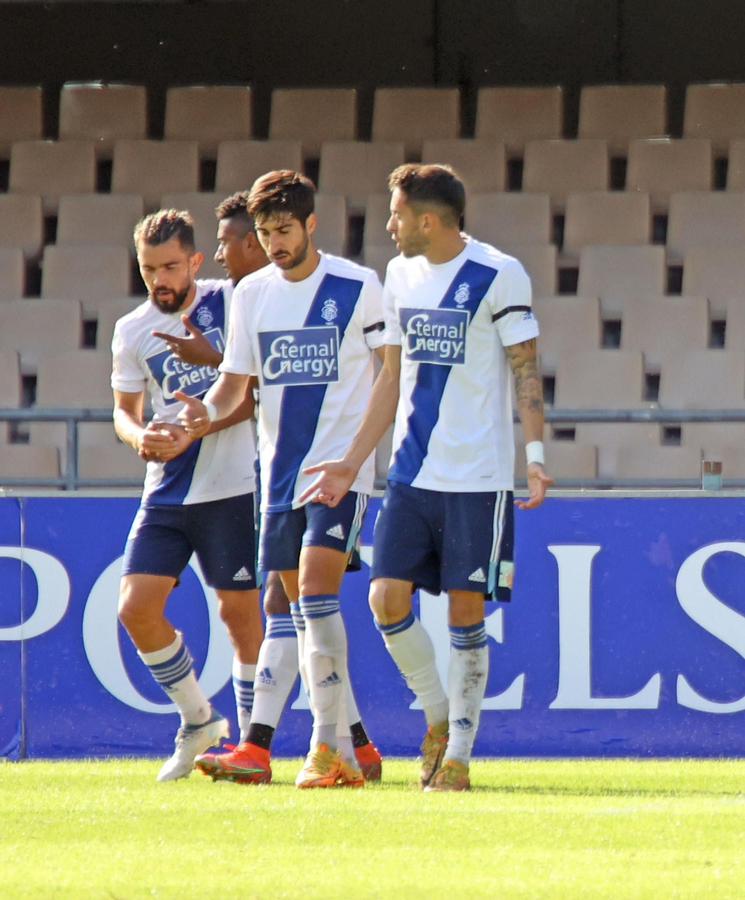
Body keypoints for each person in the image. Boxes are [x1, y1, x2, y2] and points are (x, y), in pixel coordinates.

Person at [295, 164, 549, 792]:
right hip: (410, 474)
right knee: (385, 599)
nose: (388, 226)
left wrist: (536, 454)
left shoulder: (499, 273)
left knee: (467, 610)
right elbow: (390, 378)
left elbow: (527, 372)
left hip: (478, 476)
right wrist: (353, 462)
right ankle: (438, 716)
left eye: (397, 215)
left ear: (427, 220)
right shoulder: (400, 277)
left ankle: (458, 755)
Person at [183, 171, 387, 789]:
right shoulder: (252, 296)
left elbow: (389, 377)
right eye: (266, 232)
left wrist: (358, 460)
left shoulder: (357, 285)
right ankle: (349, 746)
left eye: (284, 230)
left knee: (316, 595)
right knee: (294, 612)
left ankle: (325, 751)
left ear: (311, 224)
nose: (274, 242)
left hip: (338, 472)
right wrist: (202, 415)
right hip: (277, 476)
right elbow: (235, 384)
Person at [110, 209, 262, 781]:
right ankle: (198, 720)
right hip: (168, 489)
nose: (160, 279)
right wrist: (141, 435)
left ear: (196, 261)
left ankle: (251, 747)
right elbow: (125, 413)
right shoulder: (131, 330)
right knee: (136, 608)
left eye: (171, 266)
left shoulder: (234, 302)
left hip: (235, 485)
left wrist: (196, 427)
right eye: (150, 269)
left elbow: (255, 396)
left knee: (239, 617)